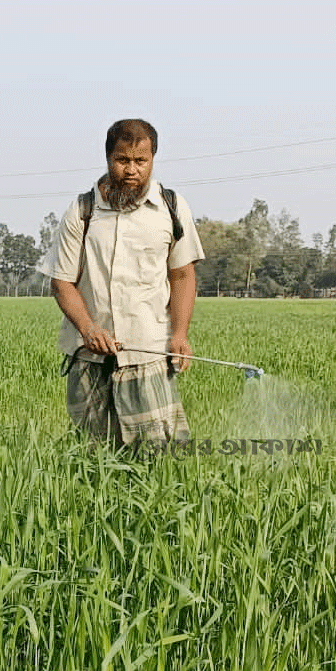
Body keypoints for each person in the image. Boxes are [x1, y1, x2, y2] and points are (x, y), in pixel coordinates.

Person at [42, 118, 205, 446]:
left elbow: (183, 275)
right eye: (122, 160)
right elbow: (62, 282)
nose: (132, 170)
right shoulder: (83, 210)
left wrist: (181, 334)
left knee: (160, 449)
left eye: (141, 161)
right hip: (90, 354)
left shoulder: (170, 208)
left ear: (153, 159)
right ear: (108, 157)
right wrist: (89, 329)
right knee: (94, 449)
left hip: (148, 350)